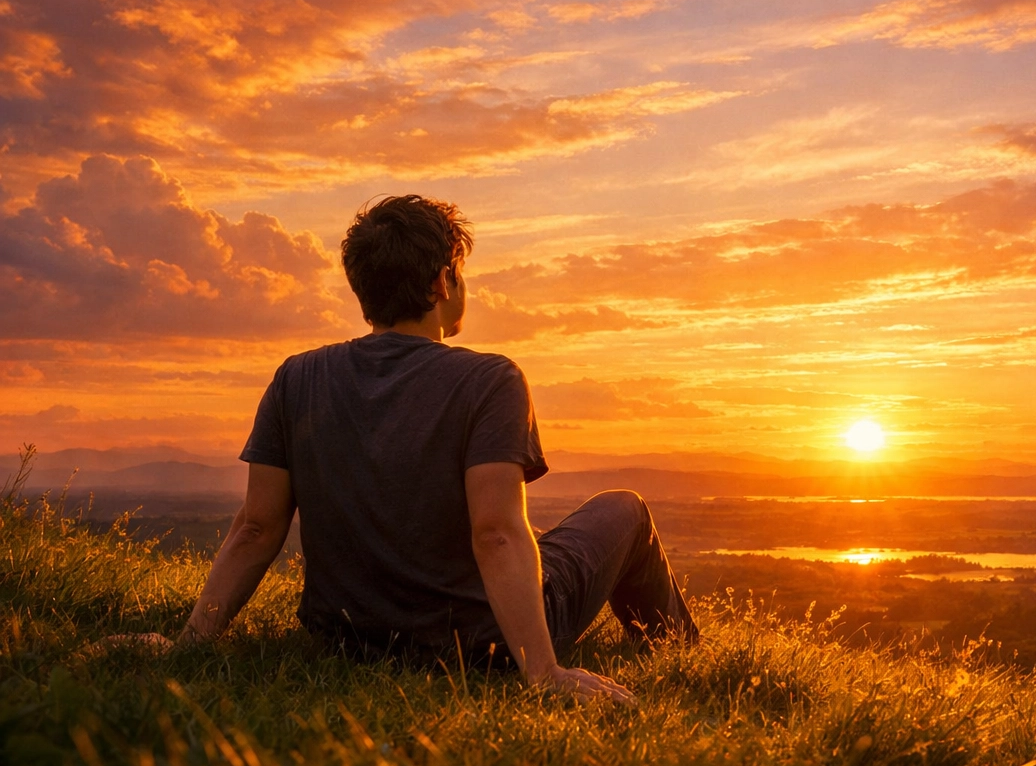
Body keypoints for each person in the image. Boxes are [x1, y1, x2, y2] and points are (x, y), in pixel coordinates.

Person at [175, 195, 696, 703]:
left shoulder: (297, 377)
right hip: (481, 643)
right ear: (443, 281)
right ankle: (681, 653)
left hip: (346, 637)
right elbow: (495, 533)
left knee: (537, 535)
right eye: (460, 272)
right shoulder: (490, 380)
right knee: (624, 508)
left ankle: (670, 650)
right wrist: (543, 671)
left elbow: (256, 527)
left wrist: (190, 643)